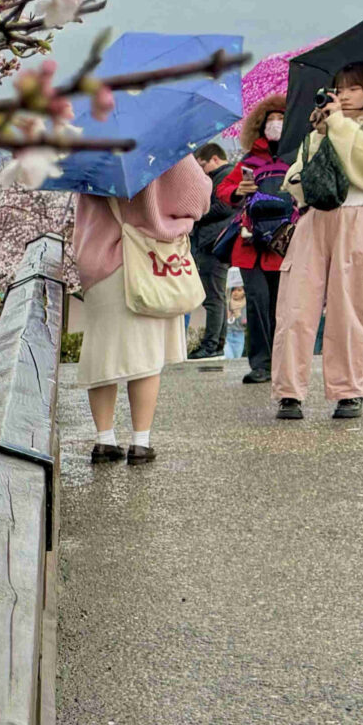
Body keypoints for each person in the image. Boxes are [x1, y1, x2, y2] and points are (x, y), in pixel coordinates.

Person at [272, 61, 363, 421]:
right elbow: (296, 179)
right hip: (317, 217)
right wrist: (316, 135)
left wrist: (338, 125)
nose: (343, 95)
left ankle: (348, 391)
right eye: (339, 88)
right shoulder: (323, 126)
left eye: (353, 88)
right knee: (295, 305)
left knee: (350, 306)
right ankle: (289, 392)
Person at [69, 153, 213, 466]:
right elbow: (198, 198)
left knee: (102, 351)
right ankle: (140, 442)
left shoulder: (89, 146)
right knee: (145, 357)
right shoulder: (163, 144)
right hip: (147, 260)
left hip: (99, 261)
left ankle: (104, 440)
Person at [222, 97, 292, 385]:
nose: (276, 123)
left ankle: (281, 362)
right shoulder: (249, 160)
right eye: (271, 118)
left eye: (282, 117)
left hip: (284, 243)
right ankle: (260, 364)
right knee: (257, 302)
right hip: (251, 245)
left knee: (280, 305)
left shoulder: (297, 157)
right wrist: (240, 190)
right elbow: (224, 190)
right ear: (261, 124)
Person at [188, 143, 233, 357]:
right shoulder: (226, 175)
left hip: (212, 242)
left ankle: (211, 344)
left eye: (202, 165)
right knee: (217, 296)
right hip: (217, 241)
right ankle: (216, 343)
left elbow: (225, 206)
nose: (201, 171)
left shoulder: (224, 176)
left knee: (213, 297)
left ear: (215, 159)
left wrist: (197, 213)